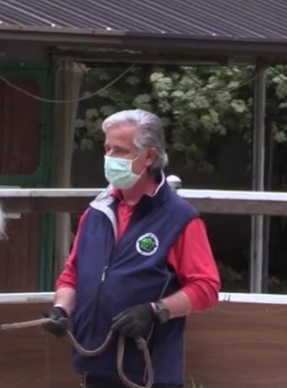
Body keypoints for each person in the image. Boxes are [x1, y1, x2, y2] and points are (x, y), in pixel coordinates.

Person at [40, 109, 221, 388]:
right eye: (107, 149)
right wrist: (61, 310)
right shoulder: (96, 213)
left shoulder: (179, 218)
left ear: (148, 157)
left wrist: (155, 310)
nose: (110, 159)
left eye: (120, 151)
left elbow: (205, 287)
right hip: (94, 365)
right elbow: (72, 275)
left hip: (148, 371)